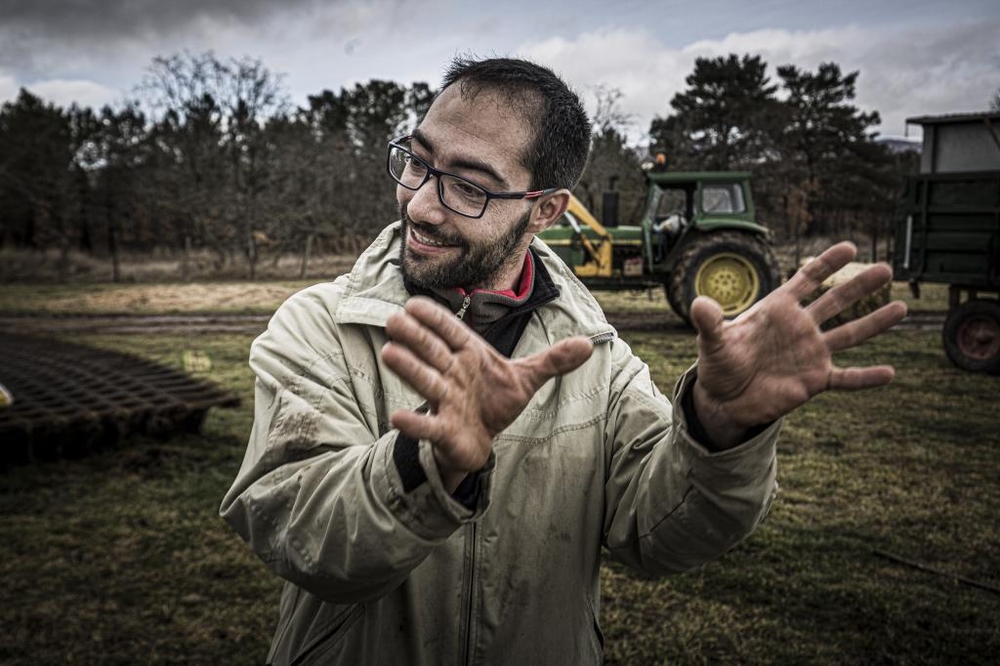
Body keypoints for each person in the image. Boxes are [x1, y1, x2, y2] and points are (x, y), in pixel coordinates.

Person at [220, 57, 906, 665]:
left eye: (469, 186)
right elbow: (297, 532)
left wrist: (718, 430)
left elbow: (656, 534)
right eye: (418, 160)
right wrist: (425, 467)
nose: (421, 204)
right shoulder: (316, 326)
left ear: (545, 209)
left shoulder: (594, 354)